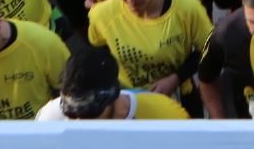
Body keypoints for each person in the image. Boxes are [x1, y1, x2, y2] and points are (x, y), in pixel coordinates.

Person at [84, 0, 212, 109]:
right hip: (129, 101)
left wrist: (176, 78)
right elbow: (99, 48)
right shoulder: (101, 14)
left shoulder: (188, 9)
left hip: (181, 96)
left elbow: (209, 50)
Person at [37, 45, 190, 120]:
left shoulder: (165, 116)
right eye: (71, 113)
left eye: (90, 114)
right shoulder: (50, 118)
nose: (79, 122)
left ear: (113, 97)